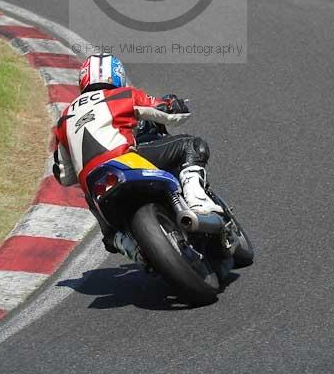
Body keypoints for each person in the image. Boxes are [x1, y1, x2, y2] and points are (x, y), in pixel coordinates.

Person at [53, 53, 222, 262]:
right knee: (192, 145)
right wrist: (174, 104)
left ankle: (121, 241)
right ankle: (197, 200)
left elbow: (64, 175)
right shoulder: (122, 95)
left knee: (90, 197)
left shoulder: (64, 118)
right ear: (118, 76)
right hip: (124, 160)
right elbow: (169, 113)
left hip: (95, 185)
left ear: (83, 79)